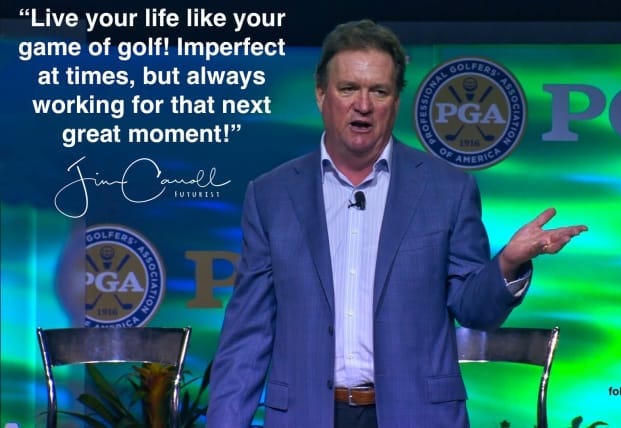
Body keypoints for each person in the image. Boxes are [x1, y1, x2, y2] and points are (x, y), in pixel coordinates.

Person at [206, 19, 587, 428]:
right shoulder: (271, 196)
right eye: (348, 88)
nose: (363, 105)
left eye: (379, 91)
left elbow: (475, 311)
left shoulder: (448, 190)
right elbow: (247, 336)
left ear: (396, 100)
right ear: (321, 94)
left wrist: (508, 263)